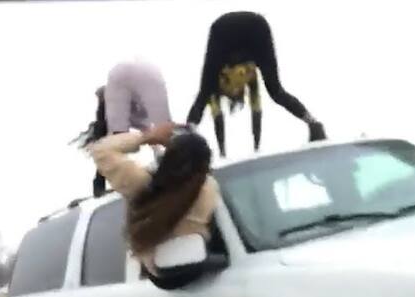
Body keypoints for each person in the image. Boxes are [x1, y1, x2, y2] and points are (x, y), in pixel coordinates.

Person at [186, 11, 326, 157]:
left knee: (204, 93)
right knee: (276, 91)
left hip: (225, 31)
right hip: (255, 26)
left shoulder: (214, 83)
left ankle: (186, 135)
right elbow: (253, 112)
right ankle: (313, 123)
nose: (235, 92)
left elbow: (215, 112)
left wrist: (225, 153)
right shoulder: (248, 75)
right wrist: (254, 150)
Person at [87, 122, 218, 276]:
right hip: (184, 274)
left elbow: (101, 150)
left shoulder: (141, 186)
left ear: (168, 157)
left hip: (154, 273)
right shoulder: (207, 190)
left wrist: (148, 137)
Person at [74, 59, 172, 197]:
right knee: (113, 144)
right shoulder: (113, 109)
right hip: (111, 122)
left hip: (123, 115)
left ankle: (164, 159)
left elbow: (148, 128)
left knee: (146, 137)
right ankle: (99, 188)